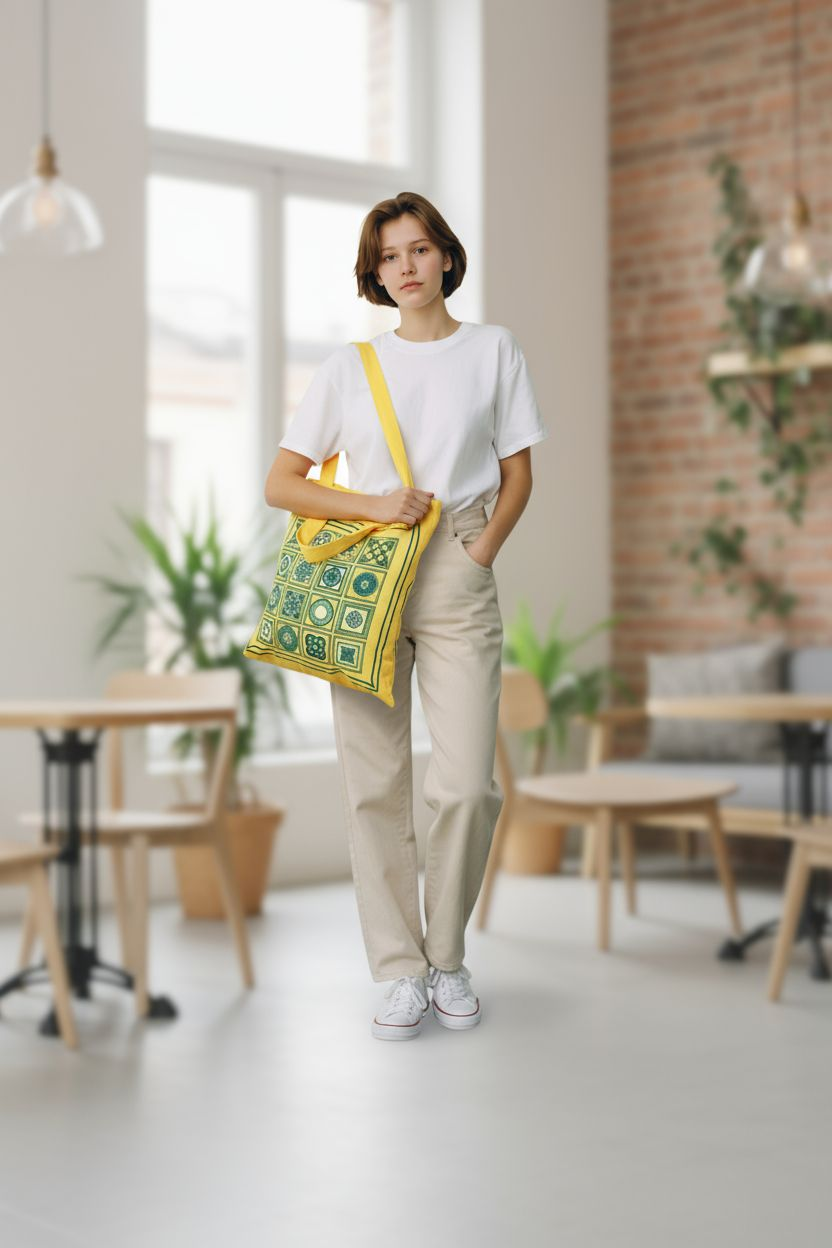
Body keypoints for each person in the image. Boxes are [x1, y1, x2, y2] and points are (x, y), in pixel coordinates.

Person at [264, 191, 549, 1040]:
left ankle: (447, 956)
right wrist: (372, 506)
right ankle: (400, 971)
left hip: (457, 563)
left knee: (467, 785)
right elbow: (282, 482)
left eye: (419, 249)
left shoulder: (493, 349)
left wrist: (478, 552)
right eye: (388, 256)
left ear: (447, 257)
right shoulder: (348, 367)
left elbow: (519, 474)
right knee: (373, 786)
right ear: (375, 273)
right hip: (367, 574)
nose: (406, 267)